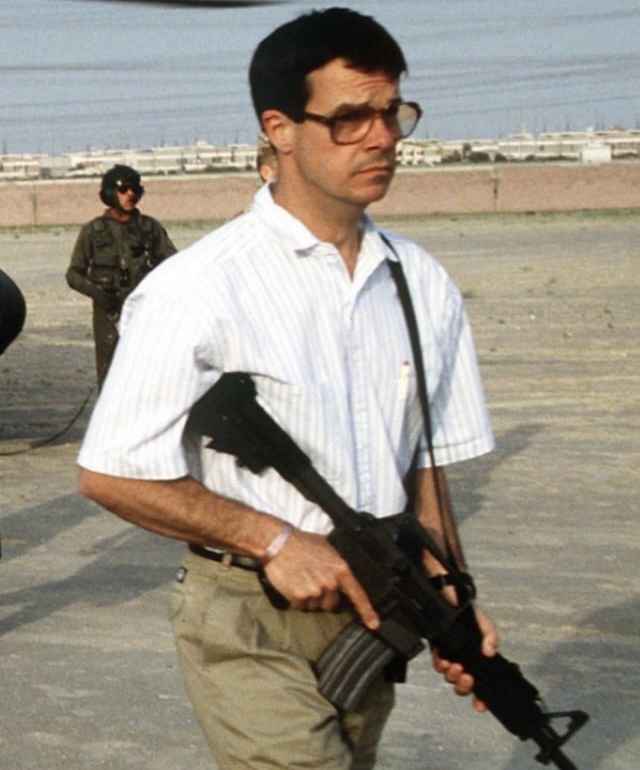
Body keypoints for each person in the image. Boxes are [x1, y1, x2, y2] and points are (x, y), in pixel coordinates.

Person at [76, 9, 499, 770]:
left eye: (392, 113)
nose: (381, 137)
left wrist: (449, 595)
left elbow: (425, 463)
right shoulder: (198, 289)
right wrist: (271, 540)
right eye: (349, 118)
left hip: (373, 605)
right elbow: (109, 472)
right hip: (250, 612)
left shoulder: (420, 283)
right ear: (280, 128)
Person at [65, 165, 176, 389]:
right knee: (110, 374)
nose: (130, 194)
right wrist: (97, 293)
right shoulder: (93, 230)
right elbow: (73, 273)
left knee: (148, 370)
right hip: (109, 312)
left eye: (134, 189)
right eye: (124, 189)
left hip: (144, 310)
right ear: (110, 193)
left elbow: (173, 264)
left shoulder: (150, 228)